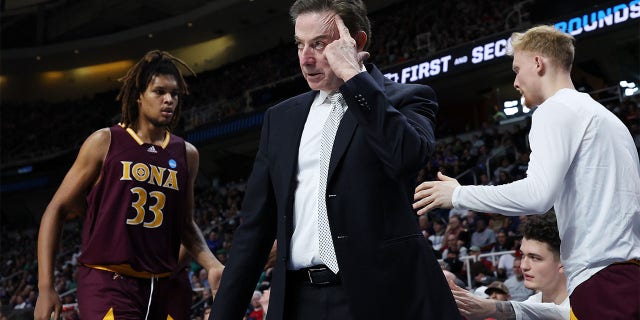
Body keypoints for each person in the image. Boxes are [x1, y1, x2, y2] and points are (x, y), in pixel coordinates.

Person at [211, 1, 460, 319]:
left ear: (355, 43)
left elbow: (404, 158)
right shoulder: (281, 118)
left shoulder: (408, 97)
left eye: (318, 44)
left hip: (383, 298)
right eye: (300, 45)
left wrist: (354, 78)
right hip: (299, 302)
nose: (306, 58)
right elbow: (254, 231)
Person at [413, 25, 640, 319]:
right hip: (625, 276)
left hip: (601, 281)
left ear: (538, 63)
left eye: (517, 69)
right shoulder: (606, 117)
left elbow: (537, 196)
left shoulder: (554, 109)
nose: (516, 81)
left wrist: (458, 194)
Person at [33, 50, 224, 320]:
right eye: (159, 91)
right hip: (108, 281)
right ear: (138, 95)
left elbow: (184, 223)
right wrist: (45, 287)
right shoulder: (105, 142)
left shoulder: (187, 154)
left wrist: (212, 264)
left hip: (164, 285)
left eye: (175, 93)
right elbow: (57, 210)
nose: (169, 99)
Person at [448, 211, 570, 320]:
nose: (523, 266)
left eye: (535, 258)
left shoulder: (583, 302)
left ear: (563, 262)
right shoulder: (533, 302)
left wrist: (491, 307)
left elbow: (559, 313)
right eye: (523, 255)